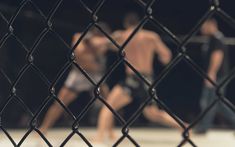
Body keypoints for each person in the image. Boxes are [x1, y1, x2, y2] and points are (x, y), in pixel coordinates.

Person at [95, 13, 188, 142]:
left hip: (132, 78)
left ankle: (98, 138)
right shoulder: (151, 36)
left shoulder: (122, 35)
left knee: (108, 106)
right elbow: (166, 55)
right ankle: (183, 126)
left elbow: (103, 44)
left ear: (126, 24)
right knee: (152, 113)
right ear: (140, 23)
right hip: (147, 79)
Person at [39, 23, 111, 134]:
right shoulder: (80, 37)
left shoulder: (103, 41)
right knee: (60, 103)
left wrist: (102, 42)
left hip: (96, 75)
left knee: (109, 102)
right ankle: (44, 128)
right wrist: (94, 43)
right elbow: (79, 52)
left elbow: (112, 44)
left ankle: (109, 131)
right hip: (79, 74)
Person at [194, 18, 235, 134]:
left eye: (204, 26)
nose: (202, 29)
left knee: (209, 101)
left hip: (218, 76)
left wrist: (211, 73)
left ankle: (203, 127)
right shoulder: (212, 39)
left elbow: (217, 56)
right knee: (218, 103)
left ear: (212, 25)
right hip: (217, 75)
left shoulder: (217, 39)